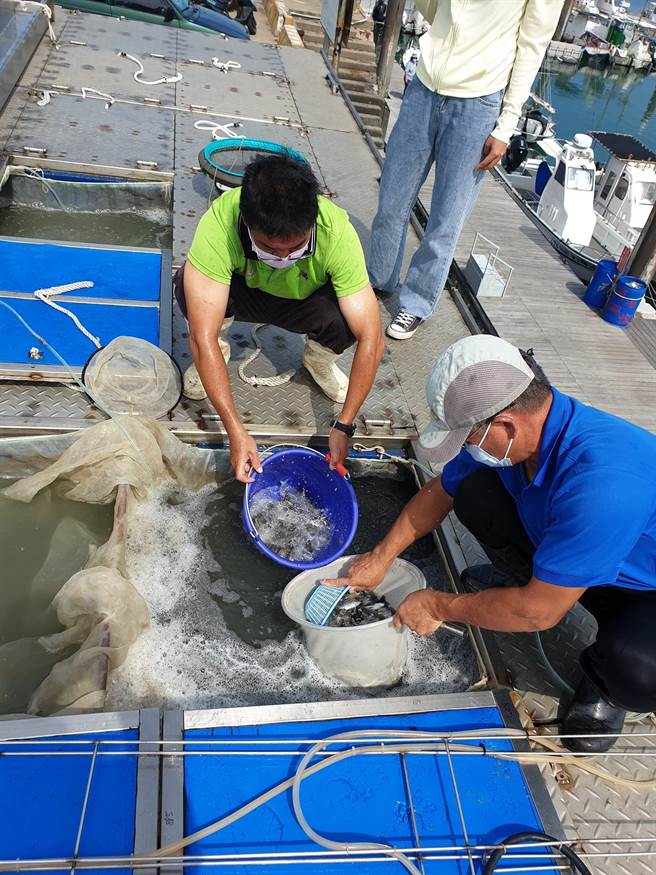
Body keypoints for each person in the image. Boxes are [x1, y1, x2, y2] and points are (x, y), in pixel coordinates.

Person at [326, 335, 656, 752]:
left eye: (467, 440)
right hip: (579, 547)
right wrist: (380, 557)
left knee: (638, 667)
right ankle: (518, 580)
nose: (468, 450)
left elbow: (541, 613)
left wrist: (437, 604)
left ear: (506, 425)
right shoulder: (525, 435)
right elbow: (441, 492)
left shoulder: (602, 486)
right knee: (474, 491)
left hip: (643, 588)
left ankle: (603, 683)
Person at [175, 153, 384, 483]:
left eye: (296, 247)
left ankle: (318, 361)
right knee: (187, 286)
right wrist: (234, 430)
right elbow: (199, 337)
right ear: (247, 222)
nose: (283, 257)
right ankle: (220, 354)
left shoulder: (337, 232)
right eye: (269, 248)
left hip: (303, 300)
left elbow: (372, 337)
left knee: (347, 323)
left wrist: (344, 424)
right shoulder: (221, 222)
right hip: (243, 290)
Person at [368, 0, 563, 341]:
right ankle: (378, 279)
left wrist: (506, 124)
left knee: (447, 219)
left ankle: (415, 304)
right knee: (391, 201)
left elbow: (531, 47)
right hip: (424, 87)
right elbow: (432, 10)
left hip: (478, 103)